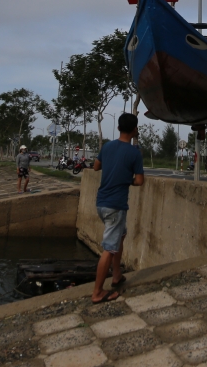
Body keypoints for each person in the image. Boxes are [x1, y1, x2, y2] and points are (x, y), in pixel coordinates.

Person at [91, 112, 145, 303]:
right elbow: (139, 181)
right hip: (116, 206)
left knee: (120, 236)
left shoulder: (107, 147)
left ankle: (116, 276)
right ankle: (97, 292)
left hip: (101, 203)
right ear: (134, 130)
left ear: (118, 128)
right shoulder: (134, 153)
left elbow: (96, 167)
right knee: (109, 247)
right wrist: (127, 179)